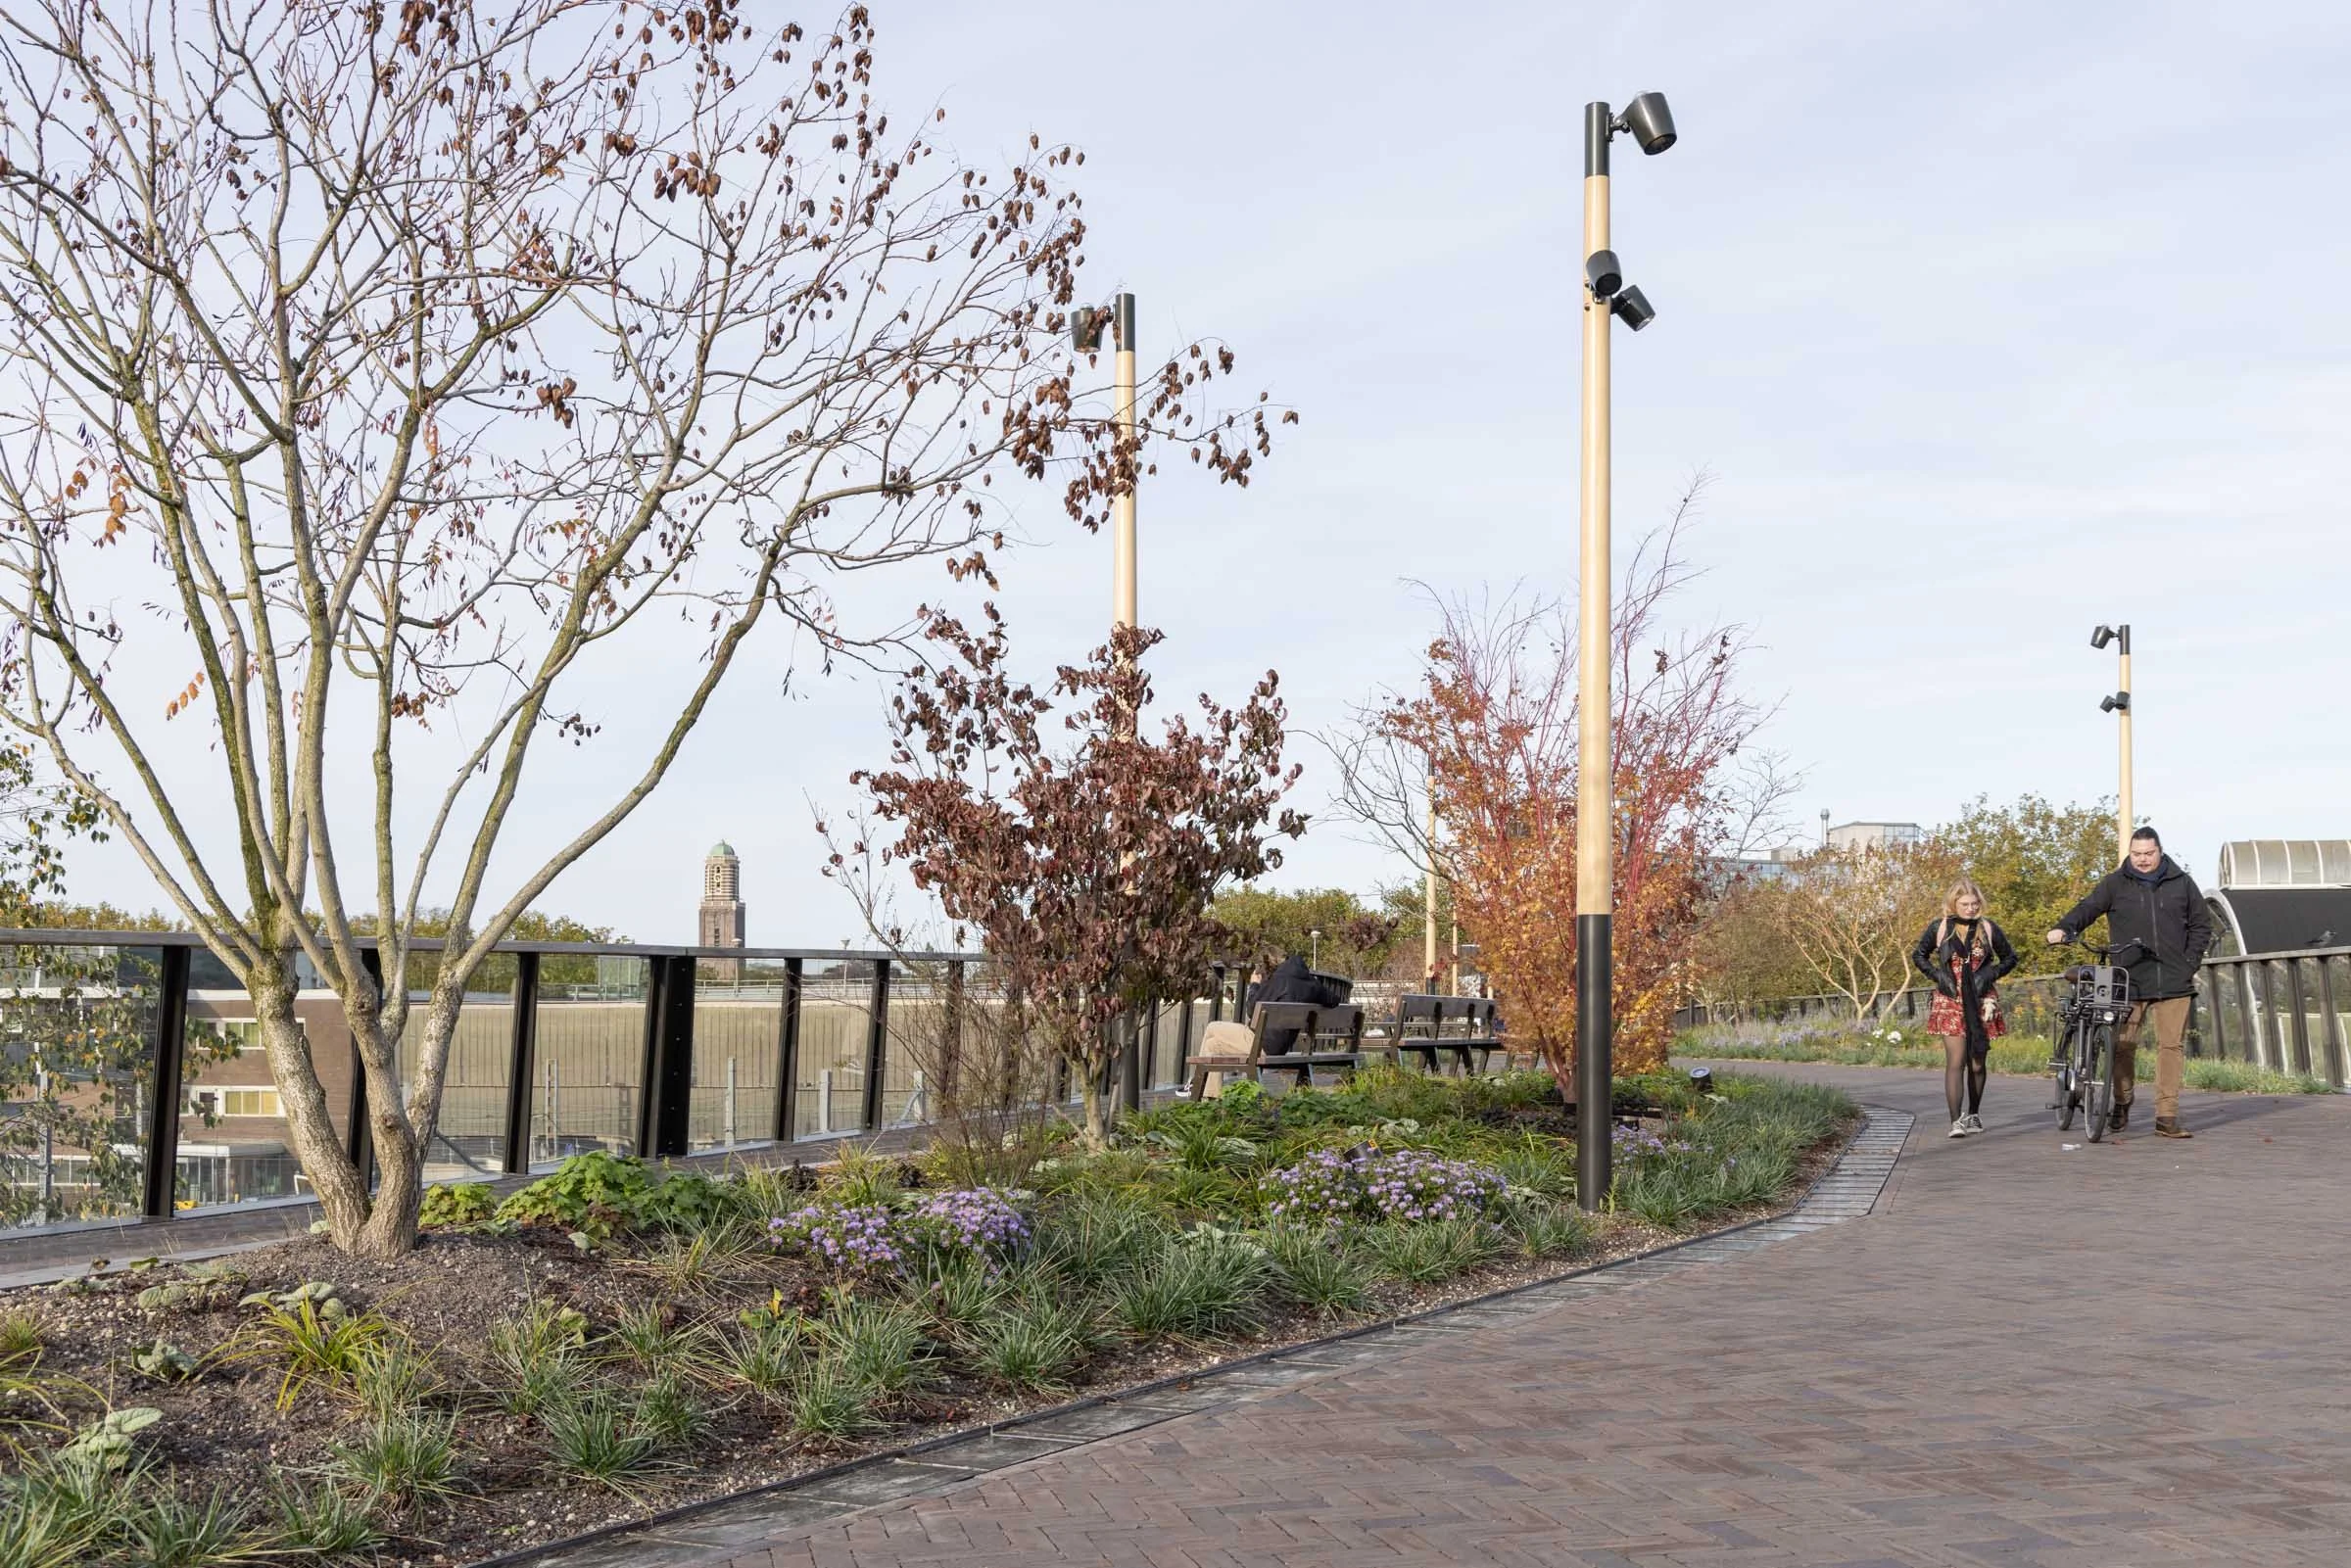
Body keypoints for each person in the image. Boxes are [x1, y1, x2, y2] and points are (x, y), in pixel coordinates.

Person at [2046, 826, 2214, 1138]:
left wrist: (2190, 962)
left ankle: (2166, 1116)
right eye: (2136, 854)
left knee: (2171, 1047)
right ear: (2130, 853)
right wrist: (2063, 929)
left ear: (2160, 852)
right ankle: (2122, 1101)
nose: (2143, 859)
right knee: (2122, 1045)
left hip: (2174, 979)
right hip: (2128, 979)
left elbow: (2201, 925)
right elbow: (2088, 908)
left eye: (2149, 853)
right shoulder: (2115, 883)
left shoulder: (2182, 883)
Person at [1911, 877, 2018, 1139]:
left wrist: (1990, 974)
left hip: (1982, 1000)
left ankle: (1973, 1114)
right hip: (1950, 999)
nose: (1970, 908)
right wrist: (1938, 976)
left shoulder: (1988, 928)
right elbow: (1919, 955)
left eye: (1974, 903)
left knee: (1978, 1062)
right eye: (1965, 904)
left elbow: (2011, 957)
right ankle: (1955, 1120)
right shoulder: (1941, 928)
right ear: (1953, 904)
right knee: (1956, 1061)